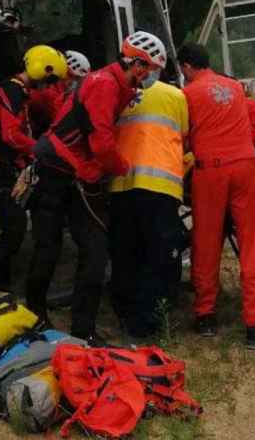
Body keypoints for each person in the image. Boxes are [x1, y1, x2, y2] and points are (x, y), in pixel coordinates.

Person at [25, 32, 166, 342]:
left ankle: (82, 329)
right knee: (50, 247)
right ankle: (34, 315)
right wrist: (123, 168)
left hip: (75, 171)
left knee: (93, 251)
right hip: (56, 169)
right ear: (136, 63)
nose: (150, 76)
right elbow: (101, 143)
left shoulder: (116, 84)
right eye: (150, 69)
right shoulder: (104, 84)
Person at [178, 42, 255, 349]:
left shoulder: (189, 94)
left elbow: (184, 139)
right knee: (251, 243)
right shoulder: (235, 88)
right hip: (246, 168)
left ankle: (205, 315)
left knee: (206, 242)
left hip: (212, 172)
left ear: (187, 66)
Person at [0, 45, 67, 290]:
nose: (48, 86)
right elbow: (11, 135)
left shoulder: (20, 93)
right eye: (49, 79)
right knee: (14, 230)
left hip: (5, 166)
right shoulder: (12, 92)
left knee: (15, 227)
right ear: (41, 69)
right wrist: (38, 148)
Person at [109, 73, 189, 339]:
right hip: (159, 186)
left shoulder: (117, 95)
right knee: (158, 255)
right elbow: (185, 136)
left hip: (120, 185)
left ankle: (123, 311)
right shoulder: (174, 95)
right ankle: (148, 321)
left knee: (126, 251)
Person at [29, 50, 90, 137]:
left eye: (78, 79)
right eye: (73, 77)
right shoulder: (49, 96)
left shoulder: (67, 93)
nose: (76, 82)